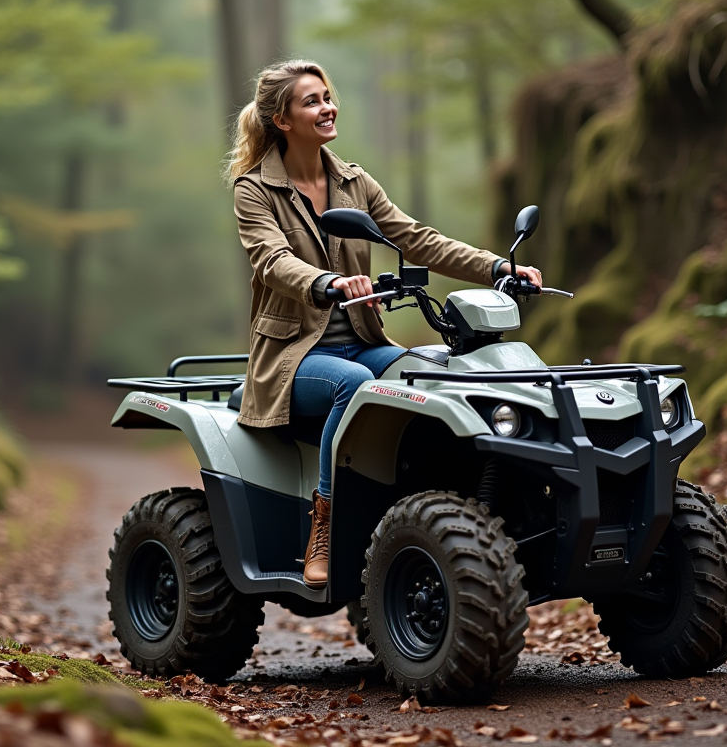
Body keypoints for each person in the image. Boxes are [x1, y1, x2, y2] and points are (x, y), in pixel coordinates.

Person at [227, 60, 542, 589]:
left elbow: (417, 238)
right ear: (282, 119)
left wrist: (496, 266)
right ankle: (323, 523)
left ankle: (440, 512)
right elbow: (271, 260)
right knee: (355, 387)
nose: (327, 108)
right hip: (294, 358)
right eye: (311, 101)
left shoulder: (353, 181)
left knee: (432, 376)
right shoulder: (254, 190)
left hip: (365, 341)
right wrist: (325, 282)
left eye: (328, 97)